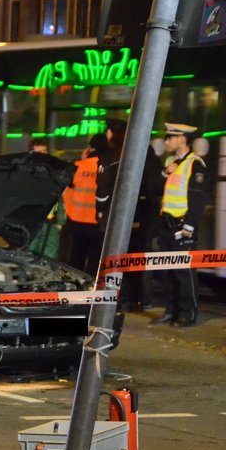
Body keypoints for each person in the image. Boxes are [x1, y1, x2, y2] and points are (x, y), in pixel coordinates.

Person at [93, 118, 164, 310]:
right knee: (140, 256)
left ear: (114, 134)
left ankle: (119, 298)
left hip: (117, 213)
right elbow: (156, 182)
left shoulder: (110, 156)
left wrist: (100, 212)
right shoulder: (146, 153)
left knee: (116, 257)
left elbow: (103, 188)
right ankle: (142, 299)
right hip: (144, 212)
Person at [151, 122, 208, 327]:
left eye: (170, 137)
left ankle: (187, 313)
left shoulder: (195, 163)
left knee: (184, 272)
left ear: (182, 139)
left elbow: (198, 199)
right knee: (167, 272)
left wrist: (189, 226)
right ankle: (171, 311)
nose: (166, 141)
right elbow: (156, 189)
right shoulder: (171, 161)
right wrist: (166, 173)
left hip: (182, 226)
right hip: (167, 225)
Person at [61, 133, 106, 275]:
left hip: (76, 221)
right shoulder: (108, 166)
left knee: (75, 260)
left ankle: (75, 290)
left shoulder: (77, 166)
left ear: (90, 148)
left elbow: (66, 191)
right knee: (95, 261)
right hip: (98, 223)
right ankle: (92, 291)